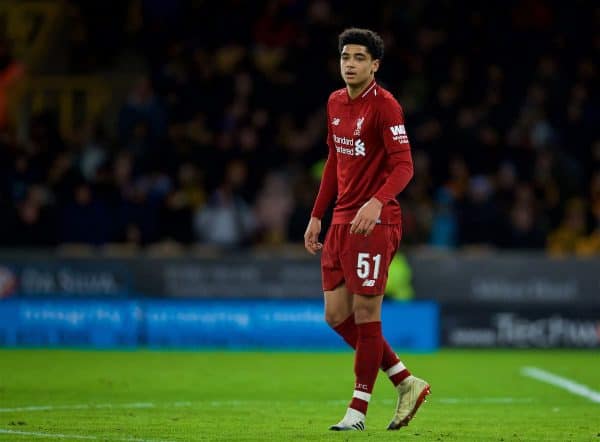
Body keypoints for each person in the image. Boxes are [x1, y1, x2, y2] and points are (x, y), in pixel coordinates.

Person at [304, 28, 430, 431]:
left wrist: (376, 203)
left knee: (366, 312)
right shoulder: (335, 102)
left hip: (375, 222)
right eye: (345, 57)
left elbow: (404, 166)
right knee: (335, 314)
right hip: (341, 220)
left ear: (374, 65)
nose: (350, 64)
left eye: (359, 58)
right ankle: (405, 381)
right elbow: (333, 162)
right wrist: (316, 214)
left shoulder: (386, 106)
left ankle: (356, 411)